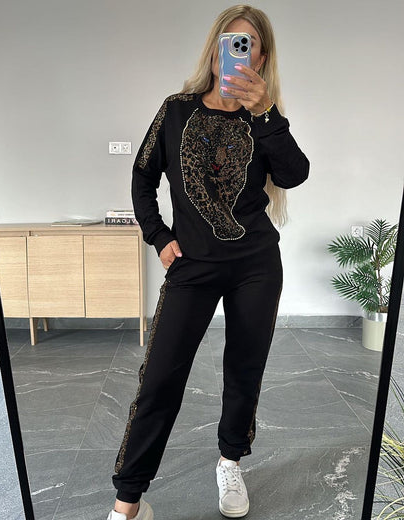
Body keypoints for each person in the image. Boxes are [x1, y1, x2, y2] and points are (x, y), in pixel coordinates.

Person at [107, 4, 309, 519]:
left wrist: (266, 113)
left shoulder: (264, 119)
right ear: (215, 49)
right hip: (192, 265)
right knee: (159, 379)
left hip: (256, 264)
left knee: (244, 369)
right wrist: (158, 235)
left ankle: (230, 462)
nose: (236, 51)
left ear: (261, 58)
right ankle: (129, 502)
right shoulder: (176, 110)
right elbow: (142, 175)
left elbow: (294, 174)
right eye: (228, 40)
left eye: (248, 43)